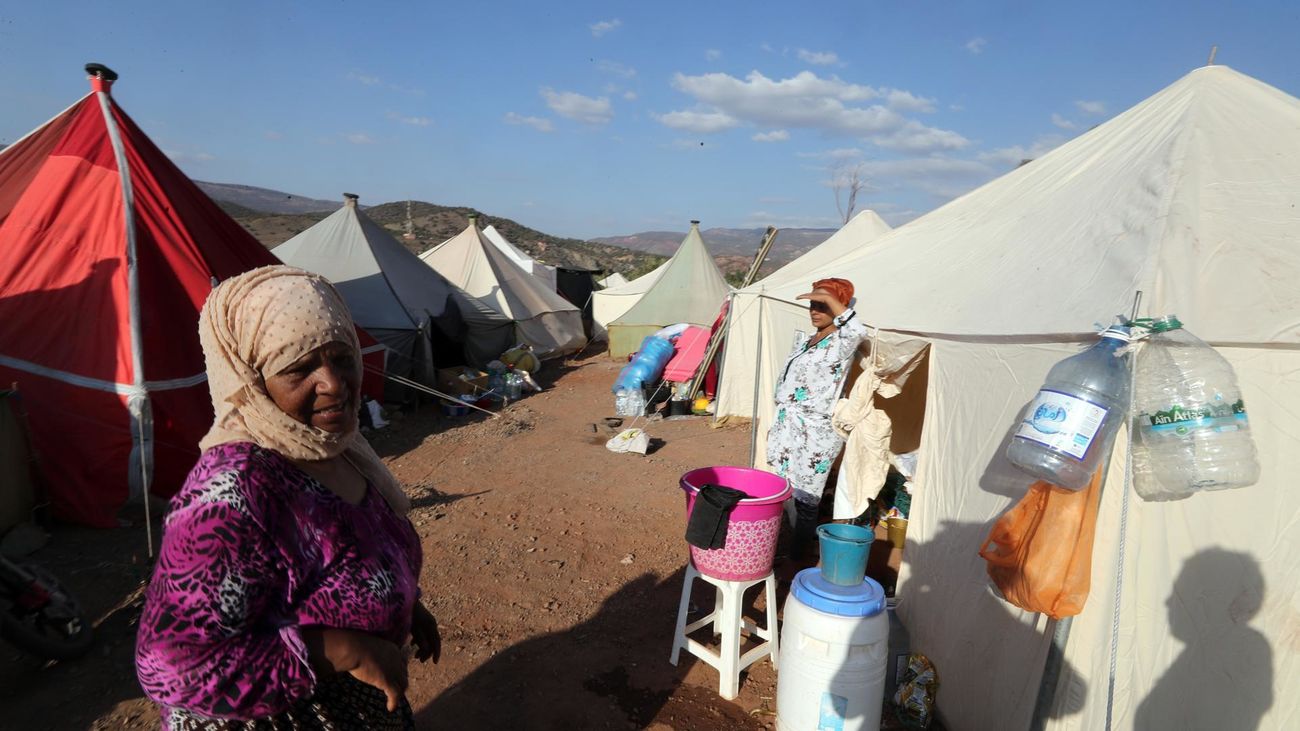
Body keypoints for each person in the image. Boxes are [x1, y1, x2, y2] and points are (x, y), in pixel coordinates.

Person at [136, 266, 439, 729]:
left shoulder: (333, 448)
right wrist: (344, 651)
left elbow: (362, 552)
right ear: (252, 380)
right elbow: (170, 667)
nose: (333, 383)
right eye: (298, 368)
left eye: (343, 357)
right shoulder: (233, 493)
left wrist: (408, 606)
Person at [766, 278, 869, 562]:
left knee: (807, 498)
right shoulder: (807, 340)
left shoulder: (841, 343)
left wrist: (832, 301)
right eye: (813, 304)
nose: (815, 311)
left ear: (838, 307)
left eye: (822, 306)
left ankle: (797, 559)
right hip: (788, 425)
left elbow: (858, 330)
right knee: (784, 486)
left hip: (816, 431)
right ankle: (782, 545)